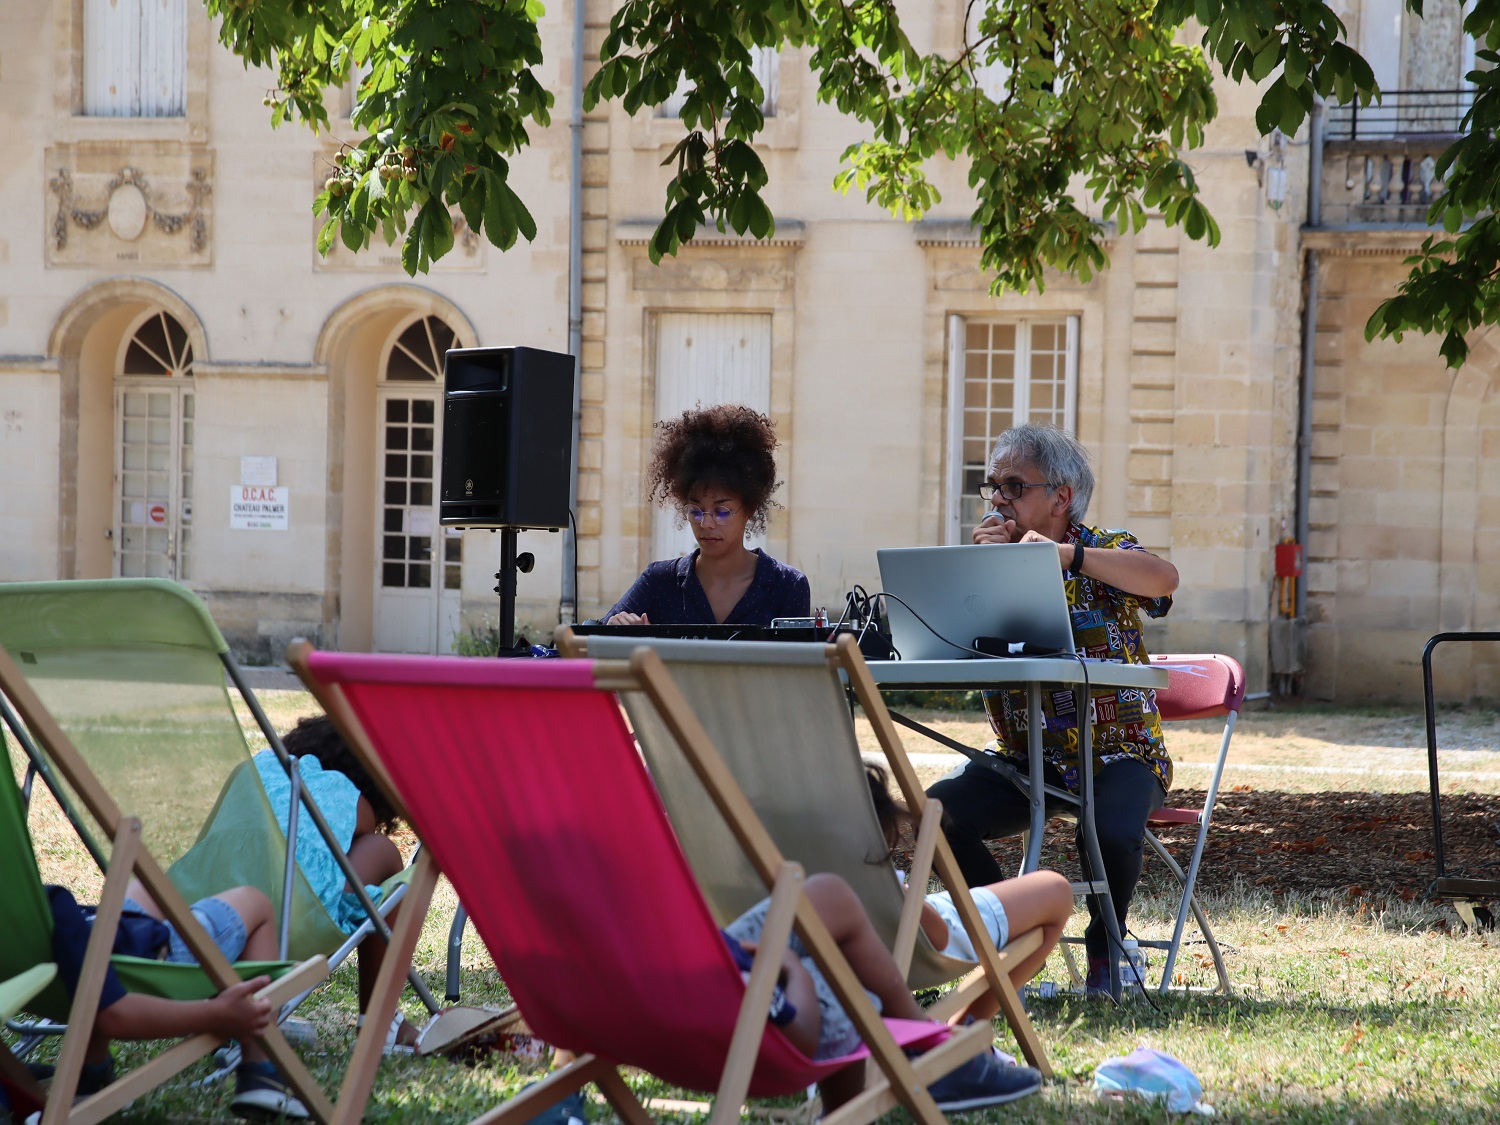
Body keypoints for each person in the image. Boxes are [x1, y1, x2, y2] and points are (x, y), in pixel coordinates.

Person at [925, 423, 1179, 992]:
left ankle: (1108, 954)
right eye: (992, 486)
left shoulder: (1103, 548)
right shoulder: (988, 561)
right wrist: (974, 578)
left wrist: (1068, 556)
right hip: (1022, 758)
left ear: (1061, 496)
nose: (997, 498)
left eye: (1013, 486)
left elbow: (1163, 580)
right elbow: (952, 646)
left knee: (1110, 831)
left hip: (1119, 751)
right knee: (934, 817)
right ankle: (1013, 945)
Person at [722, 871, 1042, 1112]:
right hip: (724, 991)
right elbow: (805, 1032)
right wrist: (793, 969)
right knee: (847, 973)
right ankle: (931, 1051)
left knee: (832, 896)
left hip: (707, 968)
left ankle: (928, 1044)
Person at [41, 880, 305, 1119]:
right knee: (255, 902)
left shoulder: (23, 915)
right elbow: (114, 1015)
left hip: (78, 956)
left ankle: (92, 1074)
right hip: (145, 960)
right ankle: (261, 1066)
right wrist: (217, 1013)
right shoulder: (55, 900)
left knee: (145, 888)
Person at [864, 764, 1072, 1019]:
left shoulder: (813, 889)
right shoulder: (869, 890)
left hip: (894, 928)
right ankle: (968, 1023)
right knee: (1055, 890)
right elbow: (936, 939)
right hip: (917, 936)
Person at [268, 715, 415, 1050]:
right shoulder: (349, 800)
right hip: (292, 927)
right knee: (382, 851)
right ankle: (378, 1019)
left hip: (216, 928)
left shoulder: (260, 775)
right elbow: (362, 834)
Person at [603, 404, 810, 626]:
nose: (706, 523)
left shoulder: (786, 585)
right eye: (696, 510)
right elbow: (586, 637)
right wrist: (617, 628)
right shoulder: (660, 581)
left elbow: (799, 660)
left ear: (749, 510)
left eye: (721, 512)